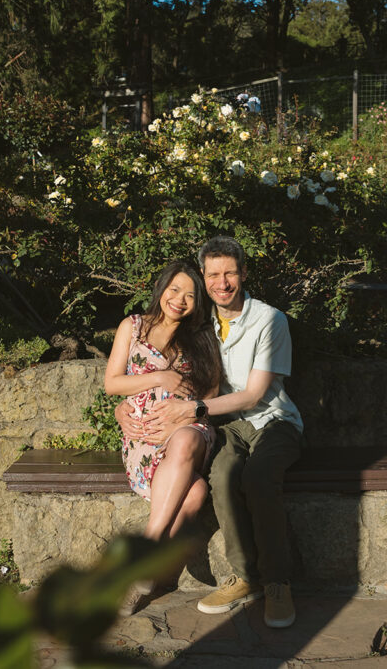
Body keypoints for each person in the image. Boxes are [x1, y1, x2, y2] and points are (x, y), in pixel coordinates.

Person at [119, 236, 303, 629]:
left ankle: (276, 582)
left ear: (244, 274)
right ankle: (243, 578)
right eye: (214, 274)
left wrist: (192, 409)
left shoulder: (270, 320)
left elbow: (253, 394)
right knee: (219, 477)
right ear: (204, 277)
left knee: (258, 477)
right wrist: (124, 408)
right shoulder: (200, 326)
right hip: (228, 426)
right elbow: (142, 378)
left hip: (273, 420)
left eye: (230, 273)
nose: (222, 282)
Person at [104, 259, 223, 615]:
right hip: (143, 436)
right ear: (162, 288)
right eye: (175, 290)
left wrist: (182, 419)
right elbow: (112, 383)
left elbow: (213, 395)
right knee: (196, 492)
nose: (180, 300)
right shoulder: (133, 326)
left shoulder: (202, 336)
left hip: (189, 428)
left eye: (190, 295)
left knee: (186, 441)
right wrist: (159, 379)